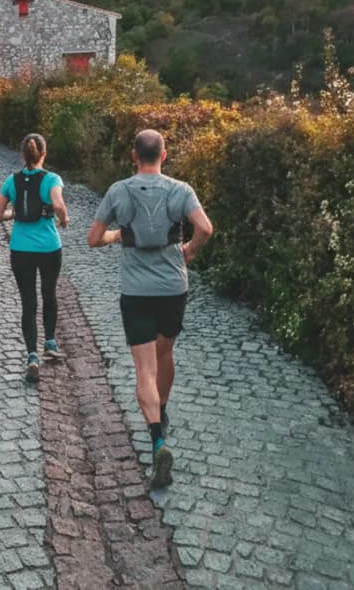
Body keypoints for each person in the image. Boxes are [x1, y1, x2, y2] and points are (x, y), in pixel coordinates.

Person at [87, 129, 213, 488]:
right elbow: (205, 227)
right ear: (164, 153)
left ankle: (157, 437)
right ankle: (163, 407)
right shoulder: (180, 189)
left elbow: (93, 239)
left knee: (144, 368)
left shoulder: (118, 191)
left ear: (133, 155)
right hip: (174, 286)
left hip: (137, 289)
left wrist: (116, 235)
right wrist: (188, 251)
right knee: (166, 352)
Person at [0, 133, 69, 382]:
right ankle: (50, 342)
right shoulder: (52, 179)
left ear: (22, 155)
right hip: (49, 247)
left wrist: (14, 214)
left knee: (28, 301)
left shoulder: (11, 181)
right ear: (44, 153)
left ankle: (32, 356)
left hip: (21, 248)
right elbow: (58, 204)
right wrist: (63, 219)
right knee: (49, 293)